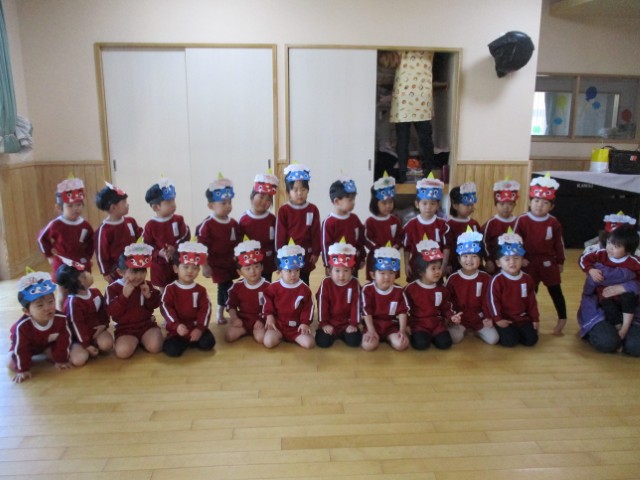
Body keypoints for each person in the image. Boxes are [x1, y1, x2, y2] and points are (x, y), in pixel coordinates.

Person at [514, 173, 566, 336]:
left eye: (545, 202)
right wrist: (520, 258)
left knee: (555, 291)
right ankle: (530, 320)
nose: (539, 205)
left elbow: (559, 243)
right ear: (530, 202)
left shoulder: (553, 222)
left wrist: (560, 261)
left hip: (548, 262)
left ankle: (562, 320)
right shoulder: (522, 220)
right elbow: (515, 241)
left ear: (552, 206)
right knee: (530, 292)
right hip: (529, 262)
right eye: (536, 201)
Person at [8, 271, 74, 383]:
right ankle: (29, 359)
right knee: (10, 363)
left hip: (46, 345)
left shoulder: (61, 319)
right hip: (27, 348)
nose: (48, 308)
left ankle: (46, 352)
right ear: (27, 311)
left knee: (67, 355)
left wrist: (61, 360)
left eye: (51, 302)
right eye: (40, 305)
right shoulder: (22, 327)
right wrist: (22, 369)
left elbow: (64, 340)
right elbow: (21, 348)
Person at [578, 222, 640, 339]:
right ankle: (618, 328)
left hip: (625, 297)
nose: (610, 248)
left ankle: (625, 328)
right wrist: (590, 269)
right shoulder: (601, 254)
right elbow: (583, 259)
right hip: (605, 296)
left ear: (628, 250)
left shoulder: (633, 261)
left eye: (616, 246)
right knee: (607, 305)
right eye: (609, 242)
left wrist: (627, 287)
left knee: (629, 298)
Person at [105, 242, 163, 359]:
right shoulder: (112, 288)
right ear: (121, 272)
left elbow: (156, 304)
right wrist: (123, 296)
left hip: (146, 325)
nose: (139, 276)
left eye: (142, 271)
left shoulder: (146, 285)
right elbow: (111, 311)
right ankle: (136, 341)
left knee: (156, 347)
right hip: (125, 329)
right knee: (122, 352)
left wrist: (149, 296)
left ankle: (142, 340)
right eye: (134, 272)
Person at [196, 174, 240, 325]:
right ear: (211, 206)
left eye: (230, 202)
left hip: (230, 263)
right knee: (226, 287)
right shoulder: (207, 225)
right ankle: (227, 311)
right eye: (223, 203)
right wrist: (205, 265)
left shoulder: (233, 223)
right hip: (217, 264)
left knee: (226, 287)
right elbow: (201, 246)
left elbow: (238, 242)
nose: (228, 206)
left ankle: (223, 310)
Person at [404, 239, 462, 350]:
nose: (437, 271)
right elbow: (404, 309)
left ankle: (432, 336)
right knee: (421, 344)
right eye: (433, 269)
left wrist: (452, 316)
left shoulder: (442, 289)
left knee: (445, 344)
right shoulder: (410, 289)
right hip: (418, 324)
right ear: (421, 272)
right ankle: (423, 337)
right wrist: (406, 325)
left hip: (436, 324)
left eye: (439, 268)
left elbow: (446, 307)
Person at [388, 50, 436, 183]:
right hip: (421, 94)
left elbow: (389, 61)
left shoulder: (400, 43)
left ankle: (403, 174)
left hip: (404, 95)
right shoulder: (430, 43)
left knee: (403, 139)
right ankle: (427, 172)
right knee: (425, 139)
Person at [160, 241, 215, 357]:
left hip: (195, 326)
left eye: (195, 268)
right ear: (176, 268)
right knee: (171, 350)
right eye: (185, 267)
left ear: (198, 271)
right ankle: (187, 341)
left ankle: (191, 339)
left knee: (209, 343)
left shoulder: (201, 290)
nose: (190, 271)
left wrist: (200, 328)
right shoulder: (170, 289)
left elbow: (206, 309)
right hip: (177, 329)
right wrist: (177, 325)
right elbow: (165, 308)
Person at [445, 228, 498, 345]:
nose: (469, 260)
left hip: (479, 318)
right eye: (465, 256)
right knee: (454, 338)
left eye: (474, 256)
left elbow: (489, 300)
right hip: (460, 319)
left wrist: (488, 317)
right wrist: (452, 316)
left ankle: (476, 331)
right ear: (459, 259)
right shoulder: (453, 278)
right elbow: (447, 299)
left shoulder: (486, 278)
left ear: (481, 259)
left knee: (493, 339)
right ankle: (464, 329)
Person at [486, 230, 539, 347]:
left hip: (522, 319)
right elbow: (493, 301)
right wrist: (497, 319)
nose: (512, 262)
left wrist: (535, 319)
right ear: (498, 263)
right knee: (510, 341)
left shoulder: (527, 279)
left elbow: (532, 301)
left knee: (532, 340)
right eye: (507, 259)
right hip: (504, 319)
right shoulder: (496, 280)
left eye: (516, 258)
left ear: (522, 260)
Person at [37, 177, 94, 284]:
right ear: (59, 207)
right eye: (70, 206)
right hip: (62, 262)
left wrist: (88, 257)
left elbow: (91, 242)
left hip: (81, 261)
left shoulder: (85, 225)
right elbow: (42, 239)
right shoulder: (55, 225)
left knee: (84, 284)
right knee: (63, 287)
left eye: (78, 204)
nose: (75, 208)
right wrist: (49, 255)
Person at [56, 260, 113, 366]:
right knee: (79, 360)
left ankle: (93, 345)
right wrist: (86, 345)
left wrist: (104, 325)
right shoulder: (73, 303)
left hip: (95, 331)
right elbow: (76, 326)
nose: (88, 273)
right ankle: (75, 349)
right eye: (85, 273)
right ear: (80, 281)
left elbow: (103, 311)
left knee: (107, 344)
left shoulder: (95, 292)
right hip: (78, 338)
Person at [262, 241, 316, 349]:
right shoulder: (273, 287)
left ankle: (290, 337)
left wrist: (305, 323)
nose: (293, 274)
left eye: (297, 270)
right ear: (280, 271)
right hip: (278, 325)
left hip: (297, 327)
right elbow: (267, 301)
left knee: (309, 344)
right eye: (289, 271)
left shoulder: (304, 289)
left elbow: (309, 307)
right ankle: (280, 336)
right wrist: (269, 316)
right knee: (268, 342)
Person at [578, 264, 640, 356]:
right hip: (601, 310)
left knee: (636, 346)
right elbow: (589, 291)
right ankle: (613, 332)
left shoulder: (634, 262)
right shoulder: (597, 263)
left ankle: (623, 331)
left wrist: (627, 287)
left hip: (632, 311)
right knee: (608, 342)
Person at [275, 163, 321, 286]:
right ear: (288, 192)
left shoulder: (313, 209)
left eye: (303, 189)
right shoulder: (284, 210)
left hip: (306, 255)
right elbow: (280, 235)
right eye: (295, 190)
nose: (300, 193)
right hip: (288, 255)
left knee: (304, 282)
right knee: (288, 282)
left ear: (308, 190)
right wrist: (279, 256)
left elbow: (316, 232)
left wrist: (316, 252)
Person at [143, 177, 190, 290]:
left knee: (180, 289)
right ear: (156, 207)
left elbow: (185, 236)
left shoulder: (178, 220)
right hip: (160, 267)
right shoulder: (150, 225)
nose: (173, 204)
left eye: (173, 200)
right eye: (168, 202)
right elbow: (147, 246)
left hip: (178, 263)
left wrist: (175, 248)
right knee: (164, 292)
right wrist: (158, 253)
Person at [361, 246, 409, 351]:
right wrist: (371, 331)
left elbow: (403, 312)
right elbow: (366, 311)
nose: (387, 277)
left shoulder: (399, 290)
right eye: (382, 273)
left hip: (391, 326)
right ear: (373, 275)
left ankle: (388, 338)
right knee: (368, 346)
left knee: (401, 345)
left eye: (391, 273)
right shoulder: (367, 289)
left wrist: (402, 331)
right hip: (373, 325)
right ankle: (377, 336)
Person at [403, 174, 450, 282]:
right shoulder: (410, 225)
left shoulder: (443, 225)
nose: (428, 207)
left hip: (436, 267)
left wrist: (444, 265)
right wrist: (406, 264)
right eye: (424, 203)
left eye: (432, 203)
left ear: (438, 205)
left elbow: (446, 247)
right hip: (416, 266)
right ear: (417, 204)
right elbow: (406, 247)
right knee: (415, 288)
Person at [315, 241, 362, 348]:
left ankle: (343, 334)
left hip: (347, 323)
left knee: (355, 341)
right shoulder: (326, 283)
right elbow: (322, 305)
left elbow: (356, 304)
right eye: (337, 270)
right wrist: (324, 323)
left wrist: (353, 324)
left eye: (346, 270)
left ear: (352, 270)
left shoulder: (354, 283)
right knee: (322, 342)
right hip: (330, 321)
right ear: (329, 271)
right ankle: (333, 334)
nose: (341, 275)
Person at [95, 182, 143, 283]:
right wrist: (105, 272)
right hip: (117, 271)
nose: (127, 204)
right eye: (124, 202)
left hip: (135, 264)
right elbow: (101, 253)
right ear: (113, 207)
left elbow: (142, 235)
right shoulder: (104, 230)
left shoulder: (130, 221)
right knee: (120, 289)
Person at [225, 238, 270, 344]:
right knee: (229, 336)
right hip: (243, 320)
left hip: (260, 320)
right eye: (247, 268)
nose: (253, 271)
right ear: (239, 272)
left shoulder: (268, 287)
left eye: (256, 266)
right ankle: (245, 330)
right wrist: (234, 318)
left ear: (262, 267)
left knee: (261, 338)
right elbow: (231, 305)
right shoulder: (236, 287)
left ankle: (254, 331)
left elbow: (271, 308)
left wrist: (262, 320)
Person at [238, 172, 279, 281]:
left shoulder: (272, 219)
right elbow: (239, 244)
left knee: (266, 286)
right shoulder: (244, 220)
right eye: (261, 197)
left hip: (267, 264)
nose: (264, 202)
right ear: (252, 196)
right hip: (250, 266)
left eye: (269, 199)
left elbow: (276, 242)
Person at [321, 177, 365, 275]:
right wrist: (327, 264)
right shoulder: (329, 222)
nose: (353, 202)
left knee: (353, 283)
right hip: (335, 267)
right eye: (350, 200)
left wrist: (362, 257)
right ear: (337, 201)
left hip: (352, 264)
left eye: (354, 199)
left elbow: (360, 239)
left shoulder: (354, 219)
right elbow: (325, 246)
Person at [364, 172, 403, 280]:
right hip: (376, 257)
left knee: (389, 279)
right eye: (384, 203)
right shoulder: (370, 221)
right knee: (376, 280)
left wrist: (396, 245)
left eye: (390, 202)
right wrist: (378, 249)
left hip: (392, 256)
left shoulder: (395, 220)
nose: (388, 206)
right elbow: (367, 239)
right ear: (375, 203)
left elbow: (400, 236)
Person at [481, 179, 520, 274]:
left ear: (515, 205)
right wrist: (488, 259)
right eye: (502, 204)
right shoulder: (491, 223)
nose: (506, 207)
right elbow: (484, 242)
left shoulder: (518, 222)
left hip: (514, 263)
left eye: (510, 204)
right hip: (495, 264)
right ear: (496, 204)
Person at [445, 182, 480, 274]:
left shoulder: (474, 224)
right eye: (467, 205)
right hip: (454, 266)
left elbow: (480, 244)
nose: (470, 208)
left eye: (472, 205)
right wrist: (447, 264)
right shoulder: (449, 225)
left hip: (472, 264)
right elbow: (447, 246)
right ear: (455, 206)